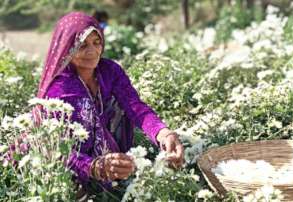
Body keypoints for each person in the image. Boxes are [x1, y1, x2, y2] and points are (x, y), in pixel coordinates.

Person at [35, 12, 184, 201]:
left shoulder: (109, 70)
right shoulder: (60, 90)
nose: (92, 52)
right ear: (67, 48)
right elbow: (54, 149)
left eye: (96, 42)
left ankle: (116, 167)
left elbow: (134, 106)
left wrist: (163, 133)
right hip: (71, 161)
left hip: (107, 158)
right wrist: (95, 166)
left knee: (118, 104)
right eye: (82, 45)